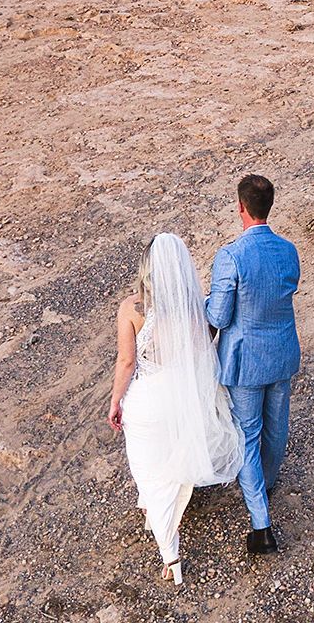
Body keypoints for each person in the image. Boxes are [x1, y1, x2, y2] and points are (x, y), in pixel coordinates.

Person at [109, 233, 242, 585]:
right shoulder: (195, 307)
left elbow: (126, 362)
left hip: (149, 400)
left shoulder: (133, 308)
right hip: (182, 398)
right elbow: (202, 349)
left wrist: (114, 402)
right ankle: (164, 529)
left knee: (149, 470)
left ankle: (171, 553)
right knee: (172, 462)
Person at [203, 174, 301, 555]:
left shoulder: (231, 256)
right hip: (282, 353)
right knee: (276, 428)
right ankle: (268, 481)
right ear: (268, 207)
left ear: (240, 207)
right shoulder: (289, 250)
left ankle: (261, 524)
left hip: (245, 361)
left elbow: (220, 315)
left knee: (247, 435)